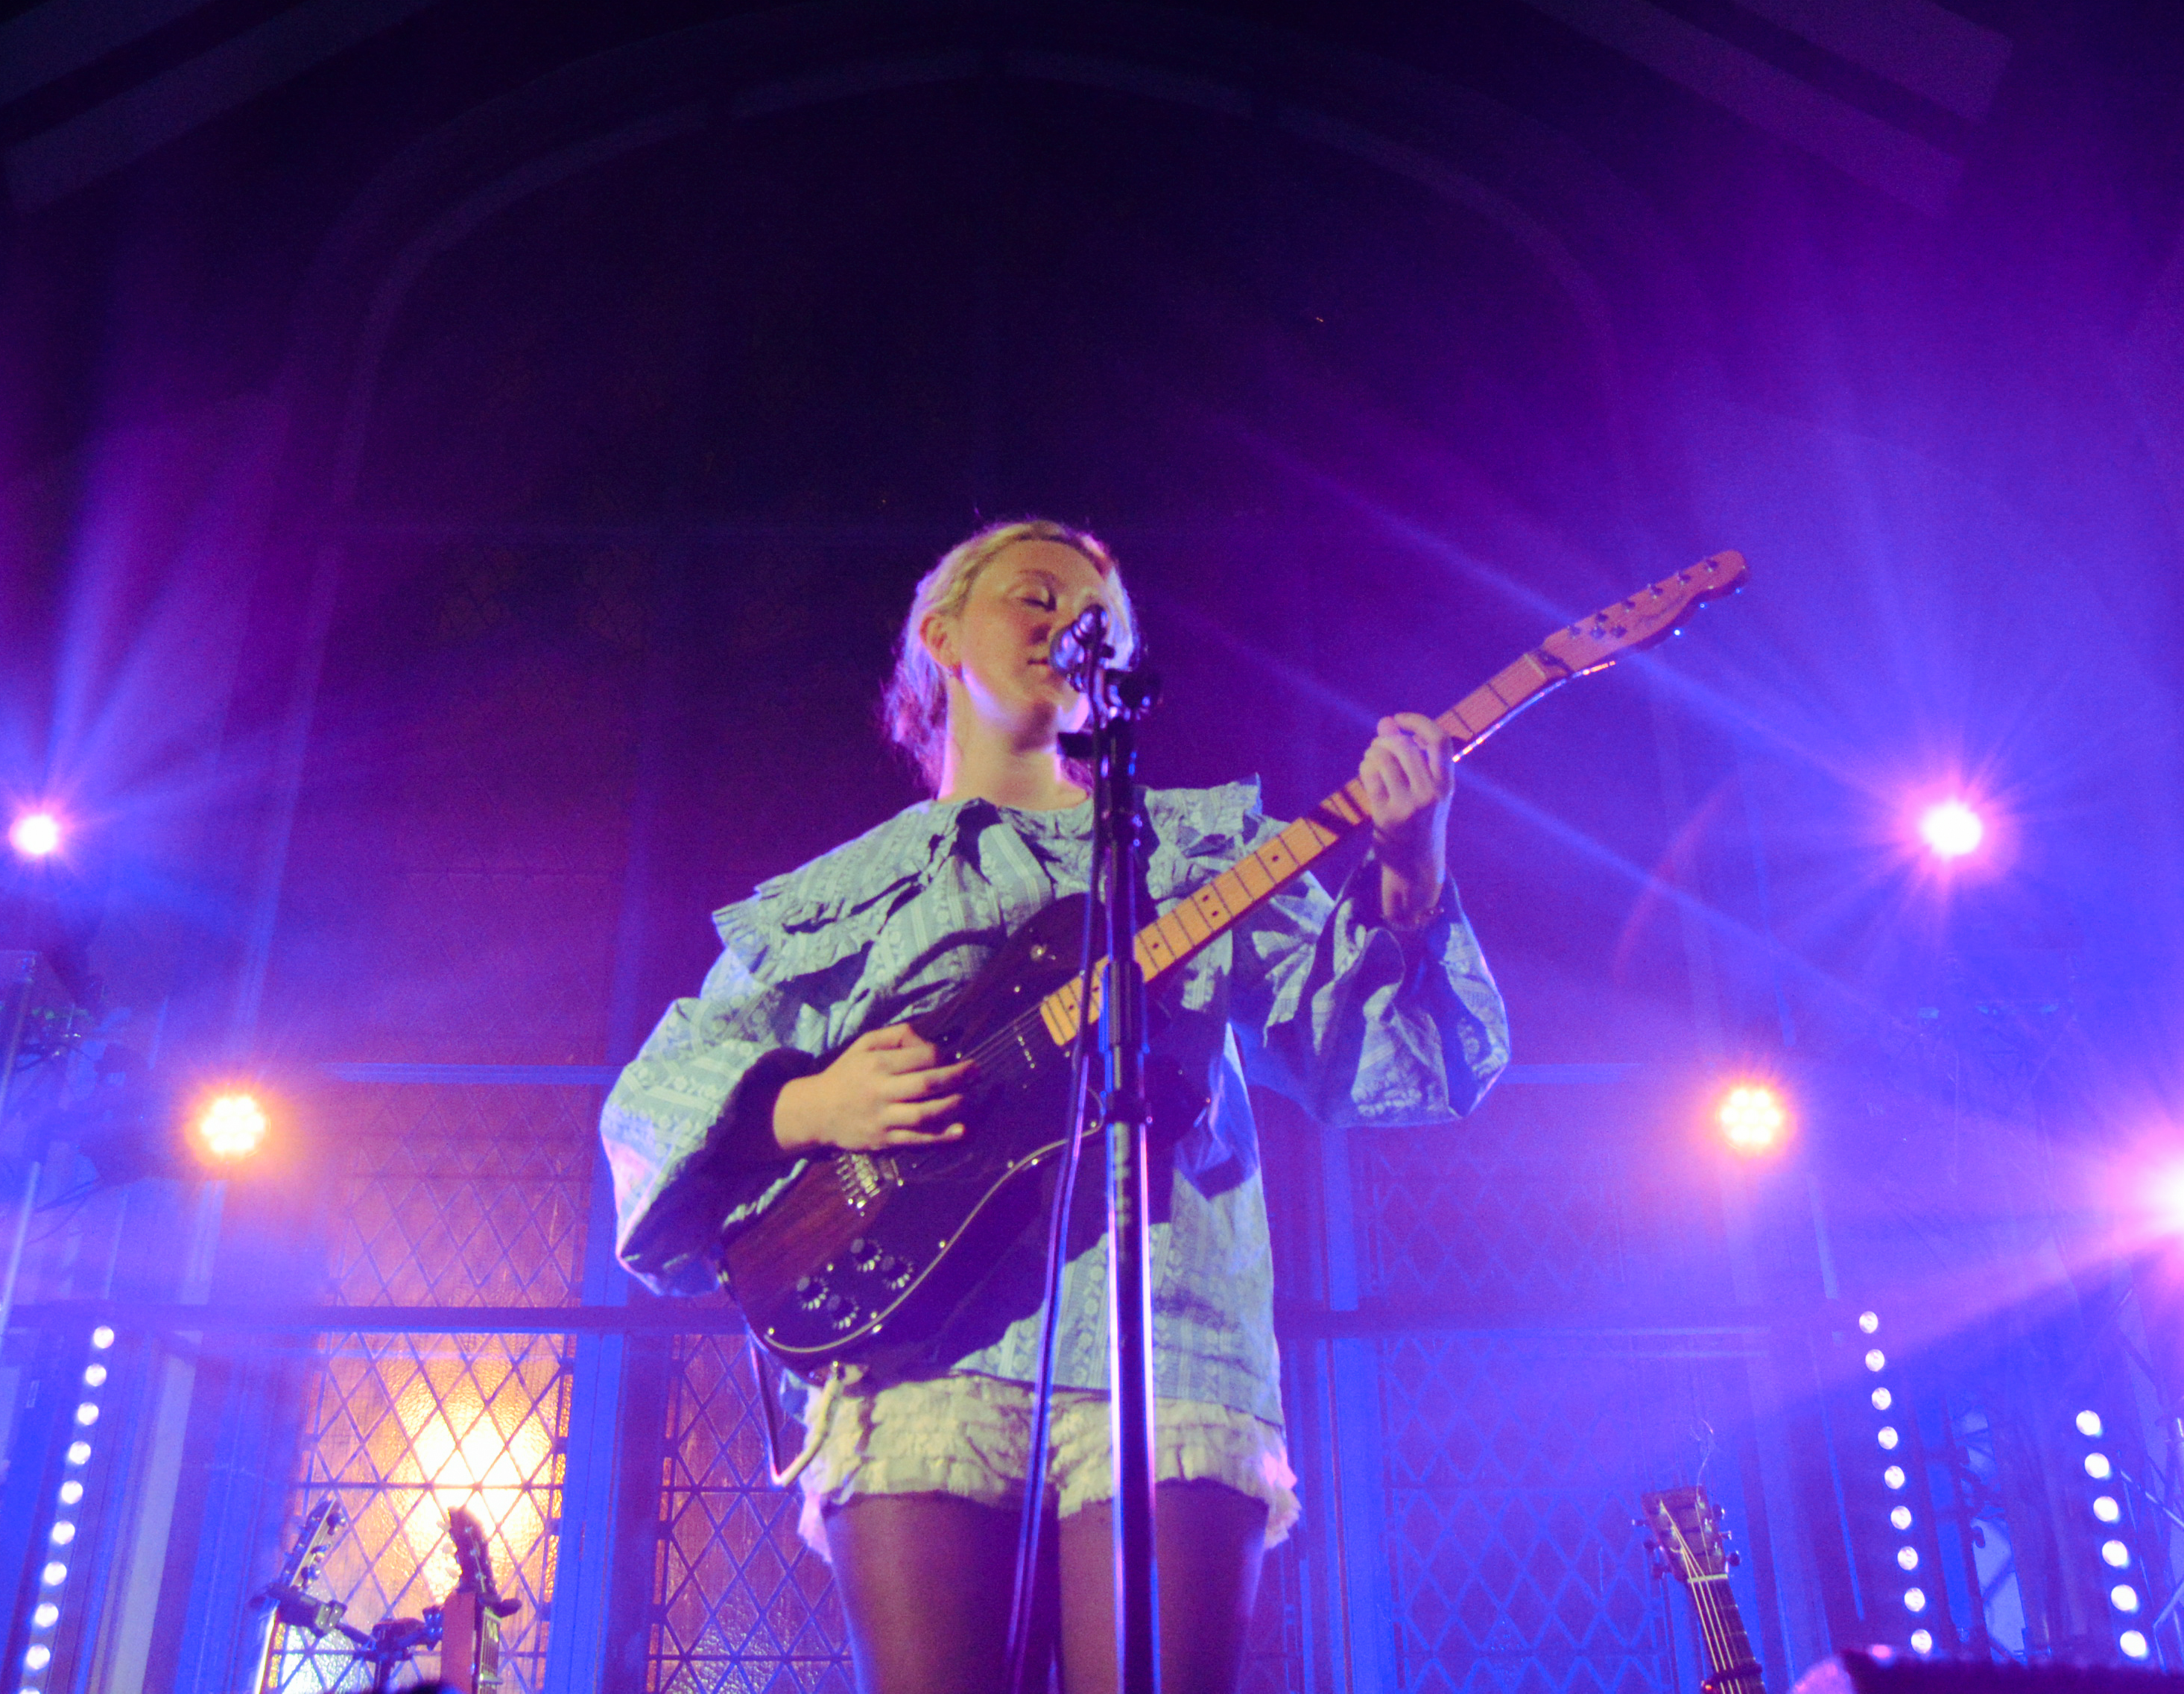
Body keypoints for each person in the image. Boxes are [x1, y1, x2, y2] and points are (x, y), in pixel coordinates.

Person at [602, 518, 1508, 1694]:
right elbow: (649, 1107)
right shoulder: (837, 898)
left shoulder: (1192, 857)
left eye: (1099, 626)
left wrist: (1409, 872)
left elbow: (1384, 1059)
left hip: (1164, 1352)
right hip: (912, 1362)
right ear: (940, 633)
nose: (1067, 628)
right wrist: (809, 1102)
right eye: (1034, 598)